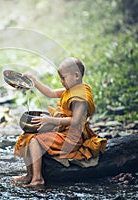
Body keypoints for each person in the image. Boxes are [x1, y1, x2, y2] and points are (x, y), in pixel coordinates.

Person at [13, 57, 107, 186]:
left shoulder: (80, 97)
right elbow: (50, 93)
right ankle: (29, 174)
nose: (61, 81)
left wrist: (50, 120)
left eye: (63, 78)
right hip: (62, 130)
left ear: (76, 76)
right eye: (60, 78)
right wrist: (34, 81)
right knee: (27, 135)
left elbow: (76, 121)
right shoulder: (70, 90)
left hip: (72, 137)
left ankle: (37, 178)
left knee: (35, 141)